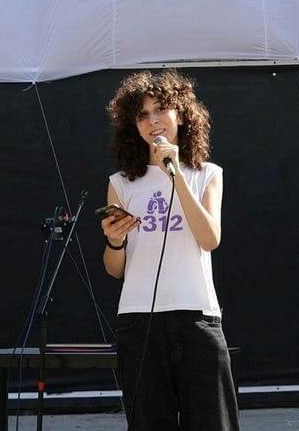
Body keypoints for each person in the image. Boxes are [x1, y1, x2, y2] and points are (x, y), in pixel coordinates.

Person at [100, 70, 239, 431]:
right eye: (142, 115)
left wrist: (175, 174)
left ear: (182, 115)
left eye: (160, 109)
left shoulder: (206, 173)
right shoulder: (121, 183)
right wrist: (114, 240)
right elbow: (115, 268)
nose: (153, 121)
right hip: (139, 319)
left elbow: (209, 238)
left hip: (197, 317)